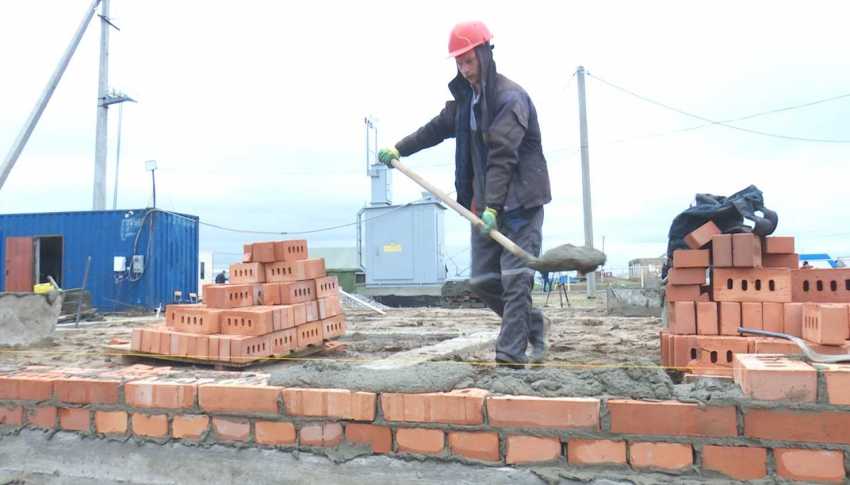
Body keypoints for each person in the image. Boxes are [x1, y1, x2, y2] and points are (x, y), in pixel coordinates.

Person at [377, 21, 552, 367]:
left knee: (516, 282)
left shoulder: (509, 98)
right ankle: (533, 324)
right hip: (482, 207)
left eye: (469, 61)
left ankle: (510, 358)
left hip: (518, 207)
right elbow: (434, 130)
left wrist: (494, 207)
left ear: (485, 55)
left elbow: (503, 156)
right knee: (485, 282)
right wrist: (398, 149)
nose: (465, 69)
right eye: (459, 63)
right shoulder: (464, 102)